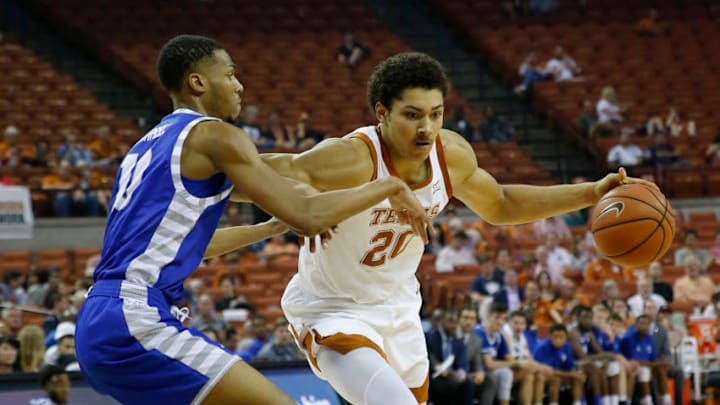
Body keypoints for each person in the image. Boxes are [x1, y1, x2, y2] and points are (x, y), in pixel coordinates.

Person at [261, 51, 646, 405]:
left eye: (436, 114)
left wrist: (591, 192)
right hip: (333, 308)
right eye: (412, 115)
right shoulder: (354, 158)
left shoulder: (451, 156)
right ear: (382, 113)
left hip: (398, 308)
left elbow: (501, 203)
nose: (426, 128)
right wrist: (206, 166)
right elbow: (260, 173)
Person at [74, 35, 431, 405]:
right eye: (229, 75)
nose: (239, 85)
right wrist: (386, 185)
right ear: (198, 83)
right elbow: (308, 217)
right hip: (134, 320)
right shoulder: (215, 135)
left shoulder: (148, 144)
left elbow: (196, 245)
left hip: (99, 320)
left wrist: (268, 227)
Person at [620, 315, 671, 405]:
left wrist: (660, 364)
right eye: (642, 324)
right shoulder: (629, 338)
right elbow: (634, 361)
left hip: (646, 366)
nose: (644, 327)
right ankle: (646, 401)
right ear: (636, 324)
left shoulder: (649, 337)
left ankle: (666, 400)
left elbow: (653, 359)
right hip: (630, 367)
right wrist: (654, 364)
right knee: (643, 371)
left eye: (647, 324)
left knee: (661, 370)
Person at [426, 310, 473, 405]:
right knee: (447, 385)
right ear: (442, 322)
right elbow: (429, 356)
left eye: (456, 323)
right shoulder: (430, 337)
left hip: (452, 375)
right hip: (435, 375)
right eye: (451, 322)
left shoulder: (459, 341)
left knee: (467, 383)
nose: (454, 326)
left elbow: (464, 366)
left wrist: (460, 374)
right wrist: (437, 367)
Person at [533, 324, 586, 405]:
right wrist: (571, 374)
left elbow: (570, 366)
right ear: (550, 336)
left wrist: (577, 374)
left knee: (577, 378)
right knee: (555, 379)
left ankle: (578, 402)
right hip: (542, 374)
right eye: (555, 337)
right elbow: (550, 371)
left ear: (566, 337)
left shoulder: (567, 346)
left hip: (560, 374)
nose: (558, 340)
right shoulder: (543, 347)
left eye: (561, 337)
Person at [458, 306, 496, 405]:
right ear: (459, 318)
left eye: (472, 319)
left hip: (468, 374)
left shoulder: (476, 339)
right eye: (466, 317)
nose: (468, 321)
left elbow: (478, 361)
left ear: (475, 321)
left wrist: (480, 372)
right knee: (468, 381)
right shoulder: (452, 334)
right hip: (453, 373)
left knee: (490, 379)